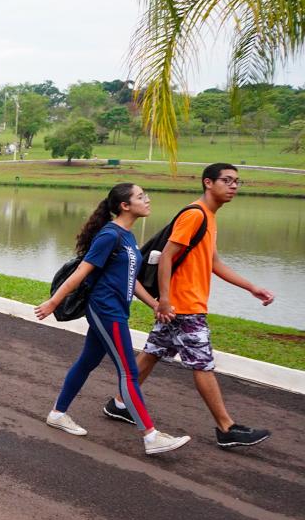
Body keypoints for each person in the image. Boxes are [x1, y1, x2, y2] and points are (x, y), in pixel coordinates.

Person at [105, 163, 275, 448]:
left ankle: (119, 403)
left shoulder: (208, 216)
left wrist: (251, 287)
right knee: (203, 364)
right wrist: (166, 300)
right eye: (227, 180)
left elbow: (213, 262)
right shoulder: (195, 214)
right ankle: (226, 427)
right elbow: (168, 256)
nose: (233, 186)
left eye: (237, 181)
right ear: (208, 183)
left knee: (153, 353)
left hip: (182, 305)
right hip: (184, 306)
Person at [35, 183, 191, 455]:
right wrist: (53, 302)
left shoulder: (127, 237)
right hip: (106, 310)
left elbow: (130, 281)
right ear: (125, 206)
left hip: (117, 309)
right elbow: (81, 273)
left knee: (87, 361)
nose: (147, 200)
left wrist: (155, 303)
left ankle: (58, 414)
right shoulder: (109, 236)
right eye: (141, 197)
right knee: (129, 372)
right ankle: (151, 435)